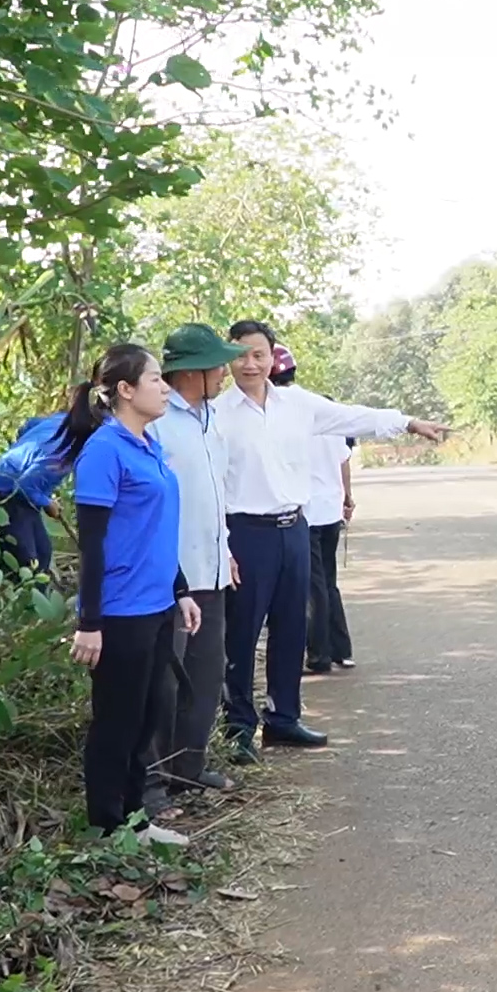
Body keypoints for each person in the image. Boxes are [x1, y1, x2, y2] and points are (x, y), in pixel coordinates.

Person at [215, 320, 450, 759]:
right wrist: (223, 546)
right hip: (246, 533)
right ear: (228, 359)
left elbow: (352, 416)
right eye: (240, 355)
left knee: (292, 627)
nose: (249, 364)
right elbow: (208, 487)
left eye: (258, 355)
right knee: (242, 634)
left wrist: (409, 422)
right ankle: (239, 729)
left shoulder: (297, 404)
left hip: (294, 529)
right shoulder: (217, 415)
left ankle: (283, 718)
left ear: (271, 357)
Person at [54, 344, 202, 847]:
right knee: (116, 723)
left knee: (147, 719)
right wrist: (89, 622)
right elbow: (92, 544)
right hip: (120, 612)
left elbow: (154, 530)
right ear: (125, 389)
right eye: (156, 379)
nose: (165, 388)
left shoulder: (148, 445)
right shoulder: (104, 451)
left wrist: (180, 590)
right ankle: (107, 826)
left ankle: (136, 820)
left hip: (157, 605)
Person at [141, 324, 245, 818]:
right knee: (165, 682)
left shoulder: (210, 419)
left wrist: (226, 548)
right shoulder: (158, 423)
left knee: (206, 673)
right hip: (170, 576)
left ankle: (189, 765)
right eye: (217, 365)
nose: (225, 372)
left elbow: (213, 493)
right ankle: (152, 783)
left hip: (212, 568)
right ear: (191, 372)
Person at [0, 409, 72, 579]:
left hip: (22, 496)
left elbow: (30, 425)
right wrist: (47, 503)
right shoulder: (63, 454)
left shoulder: (64, 420)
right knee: (26, 562)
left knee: (43, 554)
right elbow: (25, 485)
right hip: (5, 493)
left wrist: (22, 456)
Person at [305, 417, 356, 674]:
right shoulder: (333, 431)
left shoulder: (297, 426)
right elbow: (344, 463)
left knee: (314, 587)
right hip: (331, 512)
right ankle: (342, 650)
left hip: (308, 514)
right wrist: (347, 497)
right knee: (328, 582)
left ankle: (319, 655)